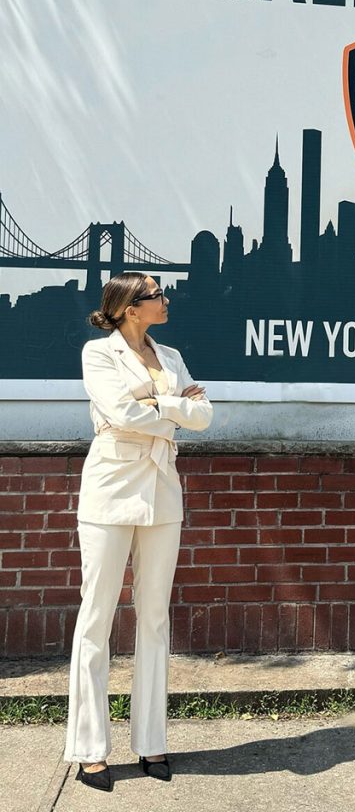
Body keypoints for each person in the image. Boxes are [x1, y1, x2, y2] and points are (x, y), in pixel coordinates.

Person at [63, 272, 213, 792]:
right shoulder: (97, 353)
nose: (165, 299)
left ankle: (151, 741)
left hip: (162, 491)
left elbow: (204, 415)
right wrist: (172, 405)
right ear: (131, 307)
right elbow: (119, 412)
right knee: (96, 618)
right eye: (156, 294)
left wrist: (159, 405)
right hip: (109, 489)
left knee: (153, 618)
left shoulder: (169, 355)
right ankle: (89, 749)